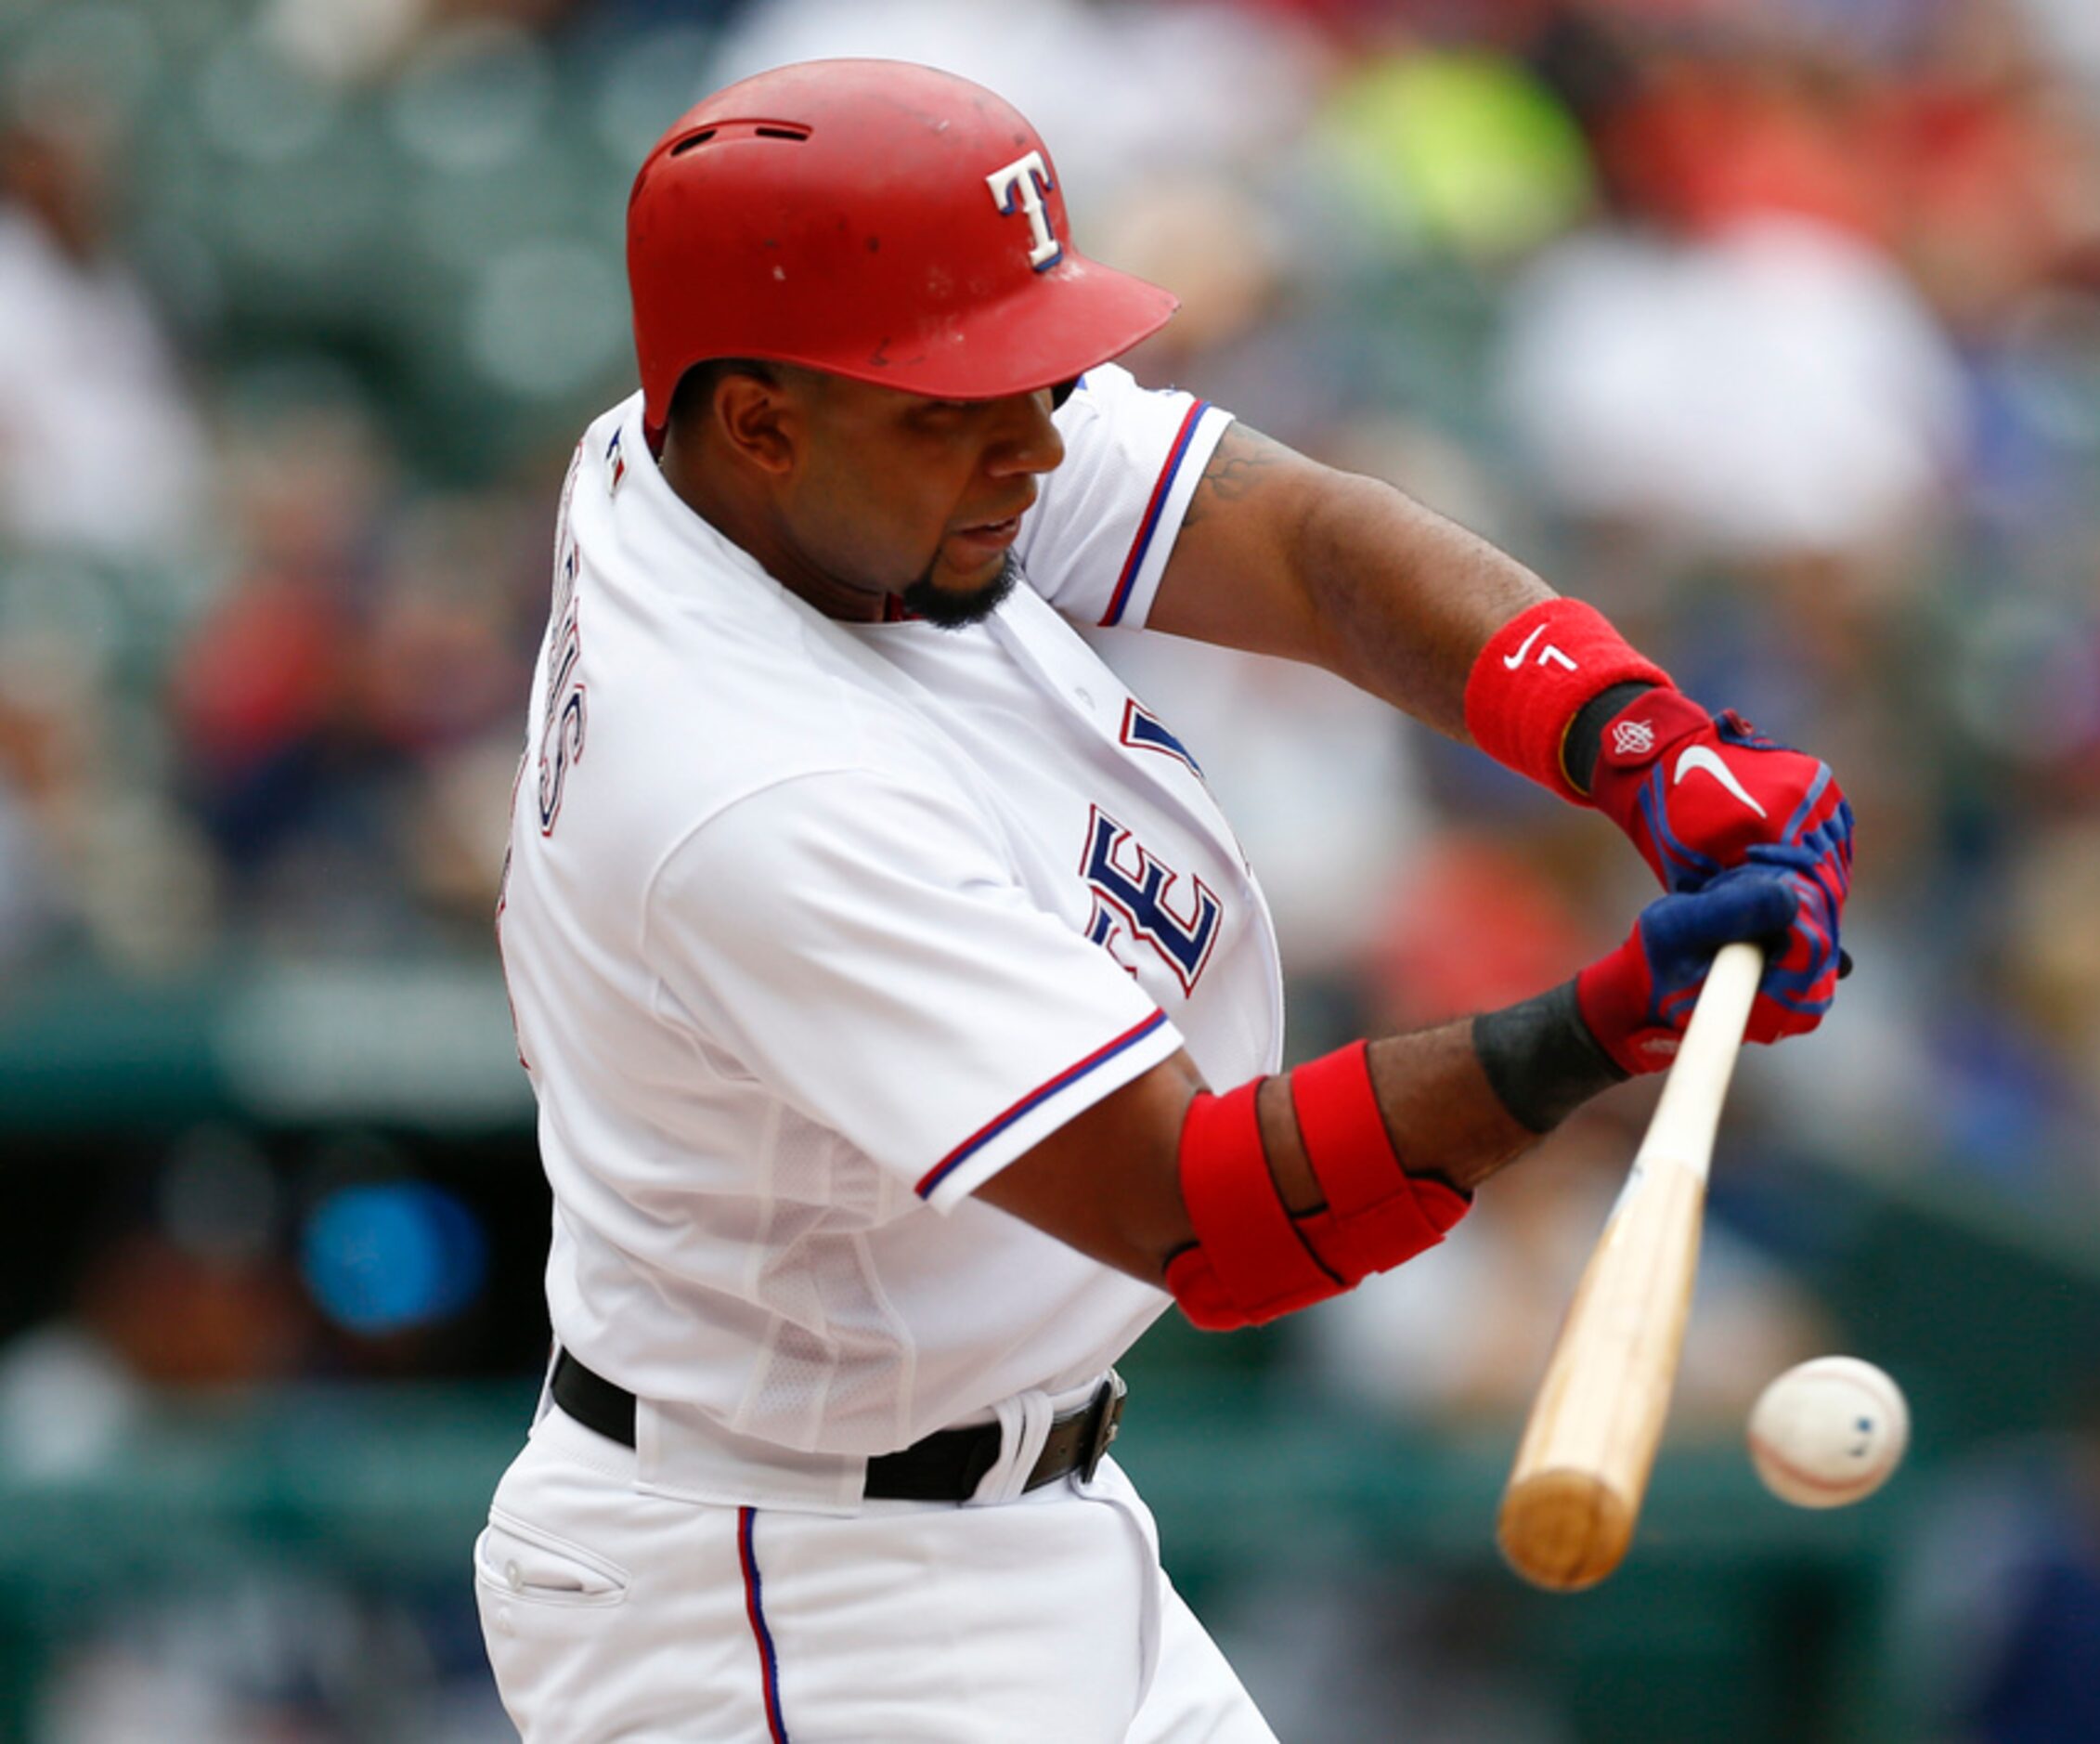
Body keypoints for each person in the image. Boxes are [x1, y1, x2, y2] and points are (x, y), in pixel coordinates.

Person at [476, 58, 1853, 1742]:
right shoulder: (747, 786)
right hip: (791, 1603)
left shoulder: (753, 460)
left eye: (1035, 378)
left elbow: (1288, 536)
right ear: (757, 419)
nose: (1036, 444)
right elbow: (1211, 1214)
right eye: (958, 405)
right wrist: (1600, 1030)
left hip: (1009, 1512)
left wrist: (1632, 731)